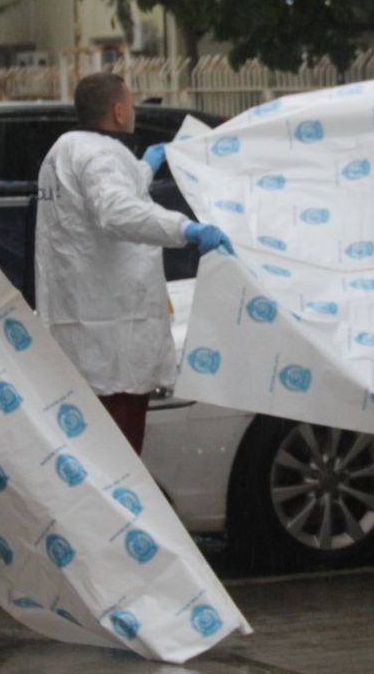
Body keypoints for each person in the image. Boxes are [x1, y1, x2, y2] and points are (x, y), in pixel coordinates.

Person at [34, 72, 232, 453]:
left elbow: (102, 196)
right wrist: (185, 229)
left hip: (85, 323)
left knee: (89, 449)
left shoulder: (68, 148)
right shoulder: (99, 154)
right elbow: (116, 211)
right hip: (110, 335)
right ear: (120, 111)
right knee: (116, 454)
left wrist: (143, 169)